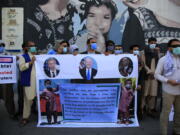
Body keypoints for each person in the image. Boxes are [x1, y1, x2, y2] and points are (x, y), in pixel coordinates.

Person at [155, 39, 180, 135]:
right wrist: (168, 80)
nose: (178, 48)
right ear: (169, 48)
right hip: (168, 91)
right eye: (175, 46)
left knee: (178, 113)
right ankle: (163, 132)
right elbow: (156, 75)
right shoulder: (163, 59)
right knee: (165, 114)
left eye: (179, 46)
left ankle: (177, 130)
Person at [19, 41, 37, 126]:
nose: (33, 47)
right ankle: (25, 117)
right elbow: (21, 67)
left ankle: (43, 114)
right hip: (29, 81)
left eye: (34, 45)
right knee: (28, 100)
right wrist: (31, 62)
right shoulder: (23, 57)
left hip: (38, 81)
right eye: (31, 46)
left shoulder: (39, 56)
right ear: (26, 48)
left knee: (42, 97)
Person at [142, 37, 160, 117]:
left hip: (155, 76)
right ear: (148, 43)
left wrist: (155, 73)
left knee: (153, 93)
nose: (153, 44)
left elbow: (160, 64)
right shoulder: (144, 52)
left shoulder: (157, 52)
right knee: (145, 93)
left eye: (154, 43)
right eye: (151, 43)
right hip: (147, 75)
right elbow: (143, 64)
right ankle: (142, 108)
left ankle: (150, 108)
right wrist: (149, 71)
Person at [0, 41, 17, 120]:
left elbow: (14, 61)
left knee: (8, 97)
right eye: (0, 46)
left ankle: (12, 113)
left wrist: (16, 58)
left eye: (2, 45)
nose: (1, 47)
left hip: (5, 81)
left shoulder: (8, 55)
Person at [130, 44, 146, 119]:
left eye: (137, 50)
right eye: (134, 49)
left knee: (138, 99)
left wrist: (139, 83)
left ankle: (138, 115)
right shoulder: (128, 59)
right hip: (129, 83)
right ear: (131, 51)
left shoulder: (140, 60)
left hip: (138, 83)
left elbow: (142, 72)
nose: (136, 51)